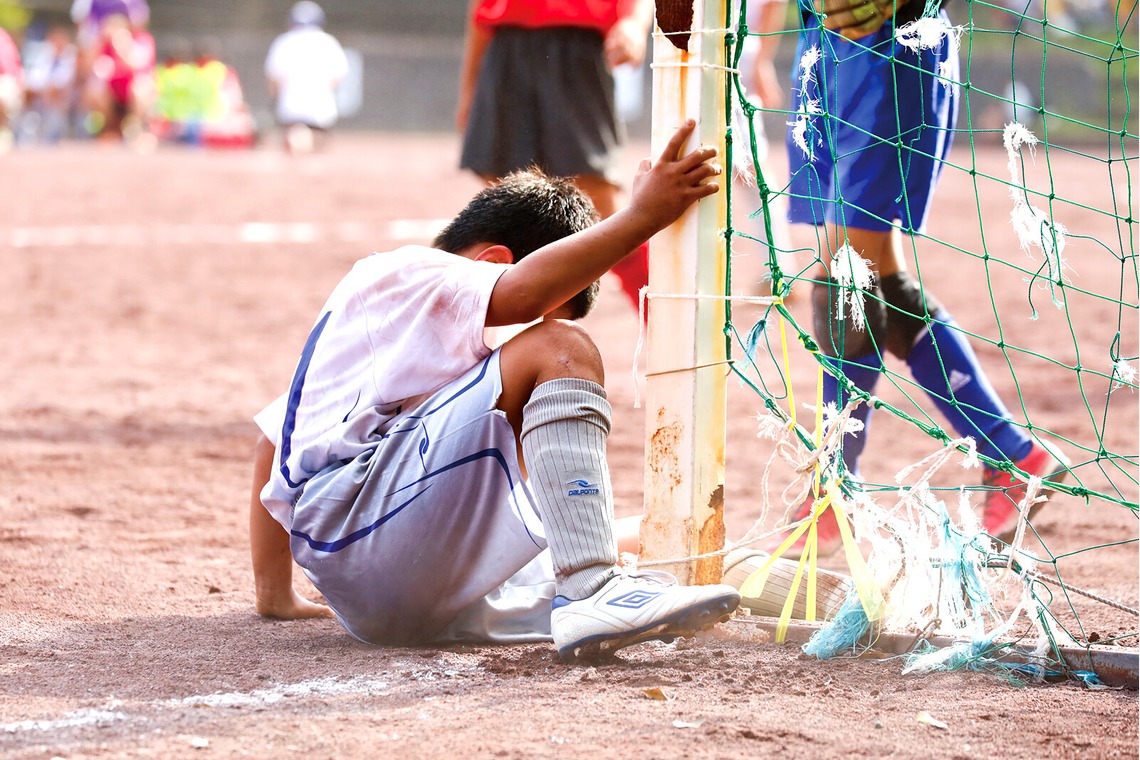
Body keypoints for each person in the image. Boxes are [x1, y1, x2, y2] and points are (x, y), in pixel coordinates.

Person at [248, 120, 742, 662]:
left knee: (650, 540)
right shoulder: (411, 270)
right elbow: (526, 295)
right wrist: (643, 215)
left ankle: (699, 569)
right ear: (494, 265)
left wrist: (275, 595)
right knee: (562, 347)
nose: (520, 330)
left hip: (395, 588)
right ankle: (592, 588)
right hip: (369, 534)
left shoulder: (389, 348)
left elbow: (272, 441)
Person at [777, 0, 1069, 556]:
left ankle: (834, 488)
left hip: (891, 45)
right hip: (826, 45)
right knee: (877, 277)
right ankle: (1012, 454)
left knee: (844, 274)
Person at [456, 0, 655, 313]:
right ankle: (517, 330)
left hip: (577, 49)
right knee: (505, 205)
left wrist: (635, 24)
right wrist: (469, 86)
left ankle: (666, 321)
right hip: (506, 48)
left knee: (601, 205)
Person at [264, 1, 348, 154]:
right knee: (319, 148)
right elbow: (337, 79)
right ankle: (309, 137)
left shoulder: (283, 42)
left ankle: (298, 135)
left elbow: (273, 81)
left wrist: (277, 99)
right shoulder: (328, 42)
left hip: (290, 112)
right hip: (321, 112)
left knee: (293, 137)